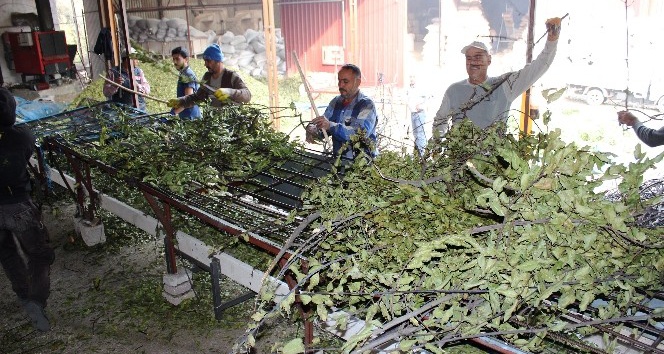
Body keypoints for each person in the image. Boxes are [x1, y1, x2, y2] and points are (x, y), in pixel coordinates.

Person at [433, 17, 563, 136]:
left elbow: (538, 67)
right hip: (461, 159)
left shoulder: (504, 85)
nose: (473, 62)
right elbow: (440, 121)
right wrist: (437, 146)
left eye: (478, 57)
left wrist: (552, 39)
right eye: (469, 58)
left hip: (493, 159)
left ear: (489, 60)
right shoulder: (454, 90)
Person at [0, 87, 55, 332]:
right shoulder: (21, 136)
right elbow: (29, 149)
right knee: (40, 254)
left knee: (7, 253)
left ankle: (23, 294)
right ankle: (35, 300)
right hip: (18, 205)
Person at [306, 63, 378, 159]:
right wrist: (313, 129)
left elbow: (360, 135)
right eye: (339, 81)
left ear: (357, 82)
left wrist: (330, 125)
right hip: (339, 163)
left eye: (345, 81)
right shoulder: (335, 102)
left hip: (363, 165)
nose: (341, 85)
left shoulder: (366, 105)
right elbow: (324, 127)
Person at [167, 43, 251, 110]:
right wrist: (181, 101)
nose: (205, 64)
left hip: (231, 123)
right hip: (214, 123)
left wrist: (230, 92)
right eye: (205, 61)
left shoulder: (231, 76)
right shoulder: (207, 77)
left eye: (208, 61)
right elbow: (197, 97)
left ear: (218, 60)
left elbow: (247, 95)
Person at [103, 47, 151, 112]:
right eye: (135, 59)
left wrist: (139, 87)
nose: (138, 61)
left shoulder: (139, 71)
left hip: (140, 109)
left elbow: (147, 89)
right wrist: (115, 85)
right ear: (127, 60)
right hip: (121, 111)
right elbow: (106, 93)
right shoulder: (113, 72)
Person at [170, 46, 201, 120]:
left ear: (186, 59)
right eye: (173, 59)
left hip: (191, 118)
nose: (174, 62)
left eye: (177, 59)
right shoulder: (183, 73)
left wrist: (173, 113)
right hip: (186, 116)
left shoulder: (188, 75)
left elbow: (188, 100)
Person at [407, 75, 430, 155]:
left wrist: (420, 105)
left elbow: (427, 97)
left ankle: (422, 155)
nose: (411, 79)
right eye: (410, 77)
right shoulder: (410, 89)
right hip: (413, 113)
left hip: (419, 114)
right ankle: (417, 154)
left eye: (413, 77)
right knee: (415, 134)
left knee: (420, 134)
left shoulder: (420, 88)